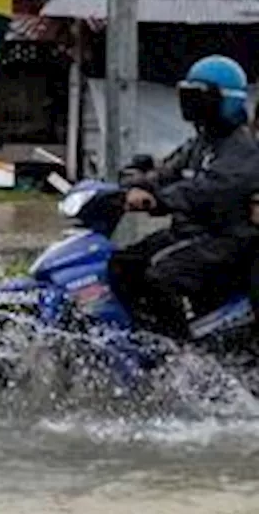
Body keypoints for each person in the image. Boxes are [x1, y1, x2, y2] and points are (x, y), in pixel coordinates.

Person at [108, 55, 259, 340]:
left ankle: (177, 352)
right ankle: (140, 336)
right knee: (121, 264)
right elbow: (169, 171)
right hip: (188, 233)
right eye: (187, 95)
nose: (190, 104)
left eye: (198, 96)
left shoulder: (243, 150)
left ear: (223, 100)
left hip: (224, 238)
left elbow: (209, 188)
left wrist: (158, 199)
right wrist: (136, 183)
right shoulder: (201, 142)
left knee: (161, 276)